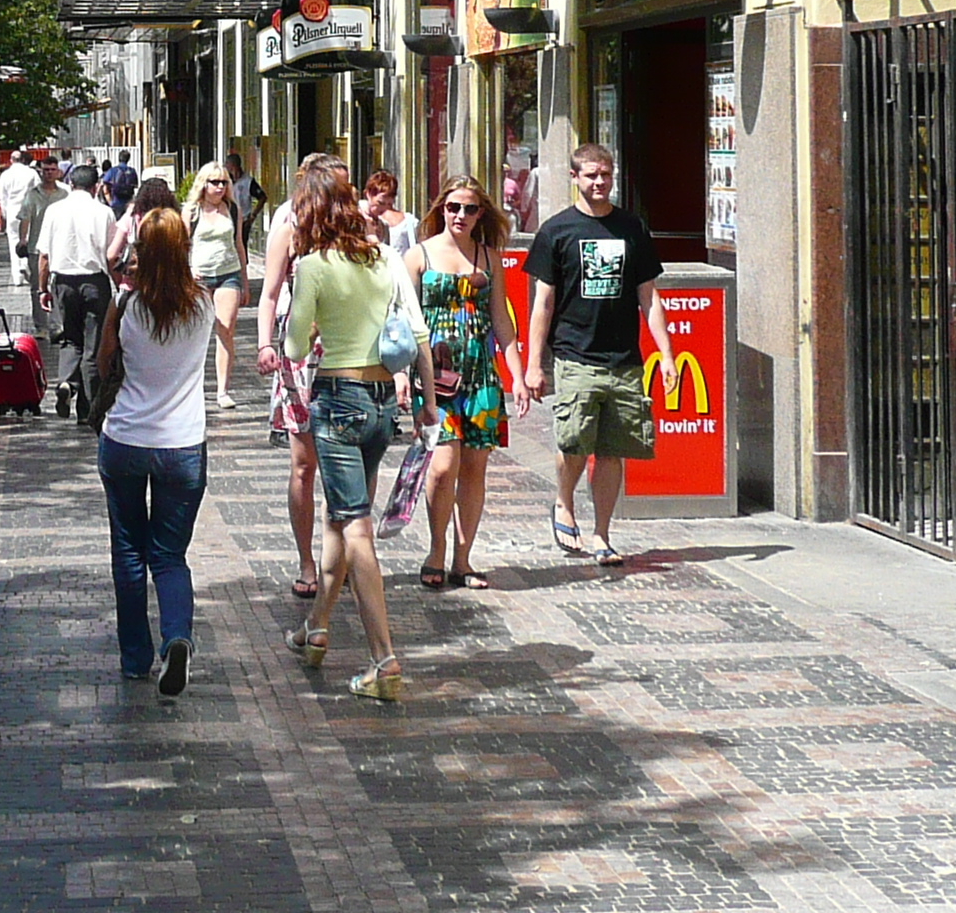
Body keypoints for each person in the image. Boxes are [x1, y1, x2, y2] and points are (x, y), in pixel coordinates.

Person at [280, 166, 432, 703]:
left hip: (337, 399)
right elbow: (417, 337)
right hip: (381, 404)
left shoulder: (314, 266)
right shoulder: (385, 257)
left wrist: (319, 324)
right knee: (340, 517)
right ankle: (317, 626)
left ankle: (383, 658)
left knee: (356, 528)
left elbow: (295, 348)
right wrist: (429, 406)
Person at [521, 143, 672, 568]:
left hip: (624, 357)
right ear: (575, 178)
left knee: (611, 450)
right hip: (574, 354)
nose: (599, 182)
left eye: (605, 174)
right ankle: (563, 502)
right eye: (590, 175)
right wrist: (535, 365)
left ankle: (602, 533)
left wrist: (667, 354)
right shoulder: (557, 231)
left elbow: (649, 297)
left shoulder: (632, 228)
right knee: (573, 441)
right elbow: (543, 304)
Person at [94, 205, 215, 695]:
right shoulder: (204, 302)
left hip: (125, 439)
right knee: (169, 555)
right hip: (183, 444)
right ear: (185, 249)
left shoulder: (125, 304)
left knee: (127, 551)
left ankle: (134, 657)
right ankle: (177, 637)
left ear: (141, 251)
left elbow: (103, 366)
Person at [408, 178, 518, 590]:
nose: (460, 216)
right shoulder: (418, 255)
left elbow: (502, 321)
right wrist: (405, 378)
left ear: (481, 214)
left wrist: (519, 375)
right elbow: (402, 321)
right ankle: (435, 549)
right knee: (442, 466)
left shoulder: (489, 258)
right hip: (434, 375)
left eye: (470, 209)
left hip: (480, 374)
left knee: (474, 467)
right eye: (454, 207)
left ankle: (463, 557)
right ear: (441, 209)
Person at [250, 156, 343, 599]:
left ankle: (340, 554)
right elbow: (269, 293)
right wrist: (265, 343)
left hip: (348, 347)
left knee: (345, 466)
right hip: (302, 352)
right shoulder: (289, 224)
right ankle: (308, 559)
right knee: (304, 464)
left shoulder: (358, 228)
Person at [30, 165, 119, 421]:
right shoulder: (104, 213)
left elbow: (44, 256)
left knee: (69, 339)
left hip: (63, 282)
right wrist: (118, 285)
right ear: (95, 187)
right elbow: (111, 256)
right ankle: (87, 410)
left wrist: (42, 289)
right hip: (95, 283)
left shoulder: (55, 210)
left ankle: (67, 382)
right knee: (93, 344)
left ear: (70, 183)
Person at [184, 165, 249, 410]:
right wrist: (187, 270)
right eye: (214, 182)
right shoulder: (191, 211)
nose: (220, 186)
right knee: (195, 333)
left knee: (226, 330)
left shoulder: (232, 209)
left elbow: (239, 244)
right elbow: (182, 245)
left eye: (224, 182)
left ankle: (223, 390)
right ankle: (192, 387)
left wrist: (244, 279)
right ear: (204, 184)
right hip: (199, 277)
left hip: (228, 273)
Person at [9, 152, 68, 311]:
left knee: (59, 285)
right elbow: (25, 218)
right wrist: (23, 239)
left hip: (60, 247)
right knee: (37, 287)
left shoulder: (64, 195)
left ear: (58, 172)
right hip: (36, 246)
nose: (49, 173)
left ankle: (57, 322)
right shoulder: (32, 195)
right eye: (45, 169)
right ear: (41, 172)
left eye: (52, 169)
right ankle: (40, 325)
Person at [0, 148, 44, 295]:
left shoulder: (5, 175)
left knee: (13, 241)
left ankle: (17, 276)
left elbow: (1, 196)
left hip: (11, 211)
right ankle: (26, 264)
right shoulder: (31, 173)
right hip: (28, 210)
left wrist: (4, 213)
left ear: (11, 160)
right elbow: (38, 190)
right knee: (29, 239)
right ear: (22, 159)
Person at [362, 170, 416, 253]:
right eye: (380, 203)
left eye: (389, 204)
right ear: (368, 194)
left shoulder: (384, 225)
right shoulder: (356, 215)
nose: (384, 208)